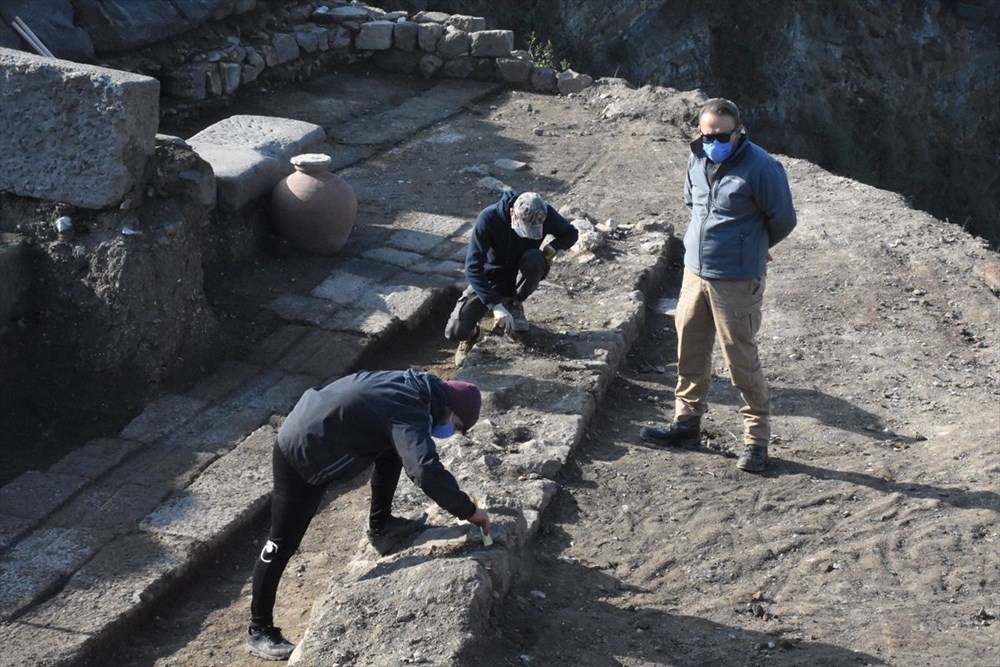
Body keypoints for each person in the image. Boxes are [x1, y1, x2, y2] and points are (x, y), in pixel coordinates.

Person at [246, 369, 491, 660]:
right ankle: (258, 629)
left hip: (315, 423)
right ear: (450, 409)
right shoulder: (410, 408)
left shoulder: (415, 388)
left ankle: (381, 526)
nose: (452, 431)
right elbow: (423, 470)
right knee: (281, 542)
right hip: (302, 448)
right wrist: (469, 511)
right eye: (458, 425)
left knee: (392, 447)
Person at [640, 98, 796, 473]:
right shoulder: (696, 157)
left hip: (737, 280)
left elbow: (784, 219)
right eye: (706, 134)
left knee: (740, 358)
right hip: (695, 273)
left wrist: (754, 248)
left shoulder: (761, 167)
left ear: (738, 131)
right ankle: (686, 424)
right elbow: (691, 202)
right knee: (689, 349)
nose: (712, 141)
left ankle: (756, 442)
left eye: (721, 135)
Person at [445, 190, 579, 367]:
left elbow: (571, 234)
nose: (528, 235)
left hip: (520, 273)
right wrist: (495, 306)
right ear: (512, 214)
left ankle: (514, 303)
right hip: (492, 278)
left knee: (535, 258)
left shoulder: (543, 212)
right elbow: (472, 268)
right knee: (455, 331)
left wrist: (550, 249)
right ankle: (474, 335)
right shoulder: (489, 218)